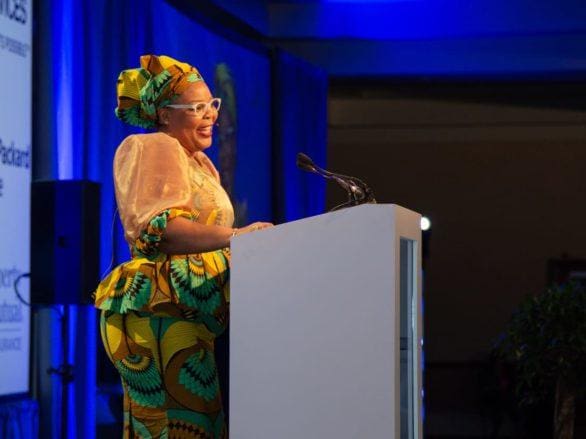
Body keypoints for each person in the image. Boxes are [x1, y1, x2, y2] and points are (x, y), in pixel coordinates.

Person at [94, 54, 271, 438]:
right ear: (164, 115)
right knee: (172, 427)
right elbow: (162, 231)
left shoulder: (202, 164)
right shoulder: (155, 146)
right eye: (196, 107)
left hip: (189, 309)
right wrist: (240, 237)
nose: (210, 115)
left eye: (212, 104)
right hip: (157, 308)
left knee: (199, 424)